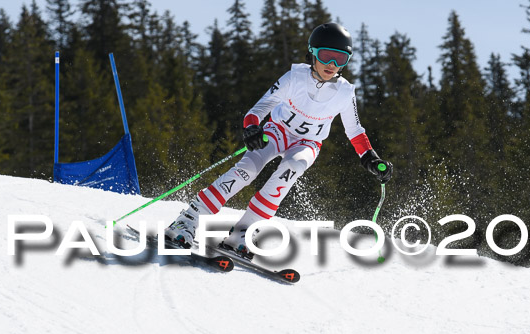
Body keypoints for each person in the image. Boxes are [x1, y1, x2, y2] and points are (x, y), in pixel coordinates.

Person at [165, 22, 393, 259]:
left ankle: (243, 232)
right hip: (277, 131)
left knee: (291, 169)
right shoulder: (295, 77)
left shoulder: (345, 92)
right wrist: (252, 128)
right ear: (313, 53)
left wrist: (370, 158)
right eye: (326, 56)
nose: (332, 65)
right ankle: (187, 220)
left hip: (308, 143)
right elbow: (260, 108)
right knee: (247, 170)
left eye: (340, 59)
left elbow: (355, 130)